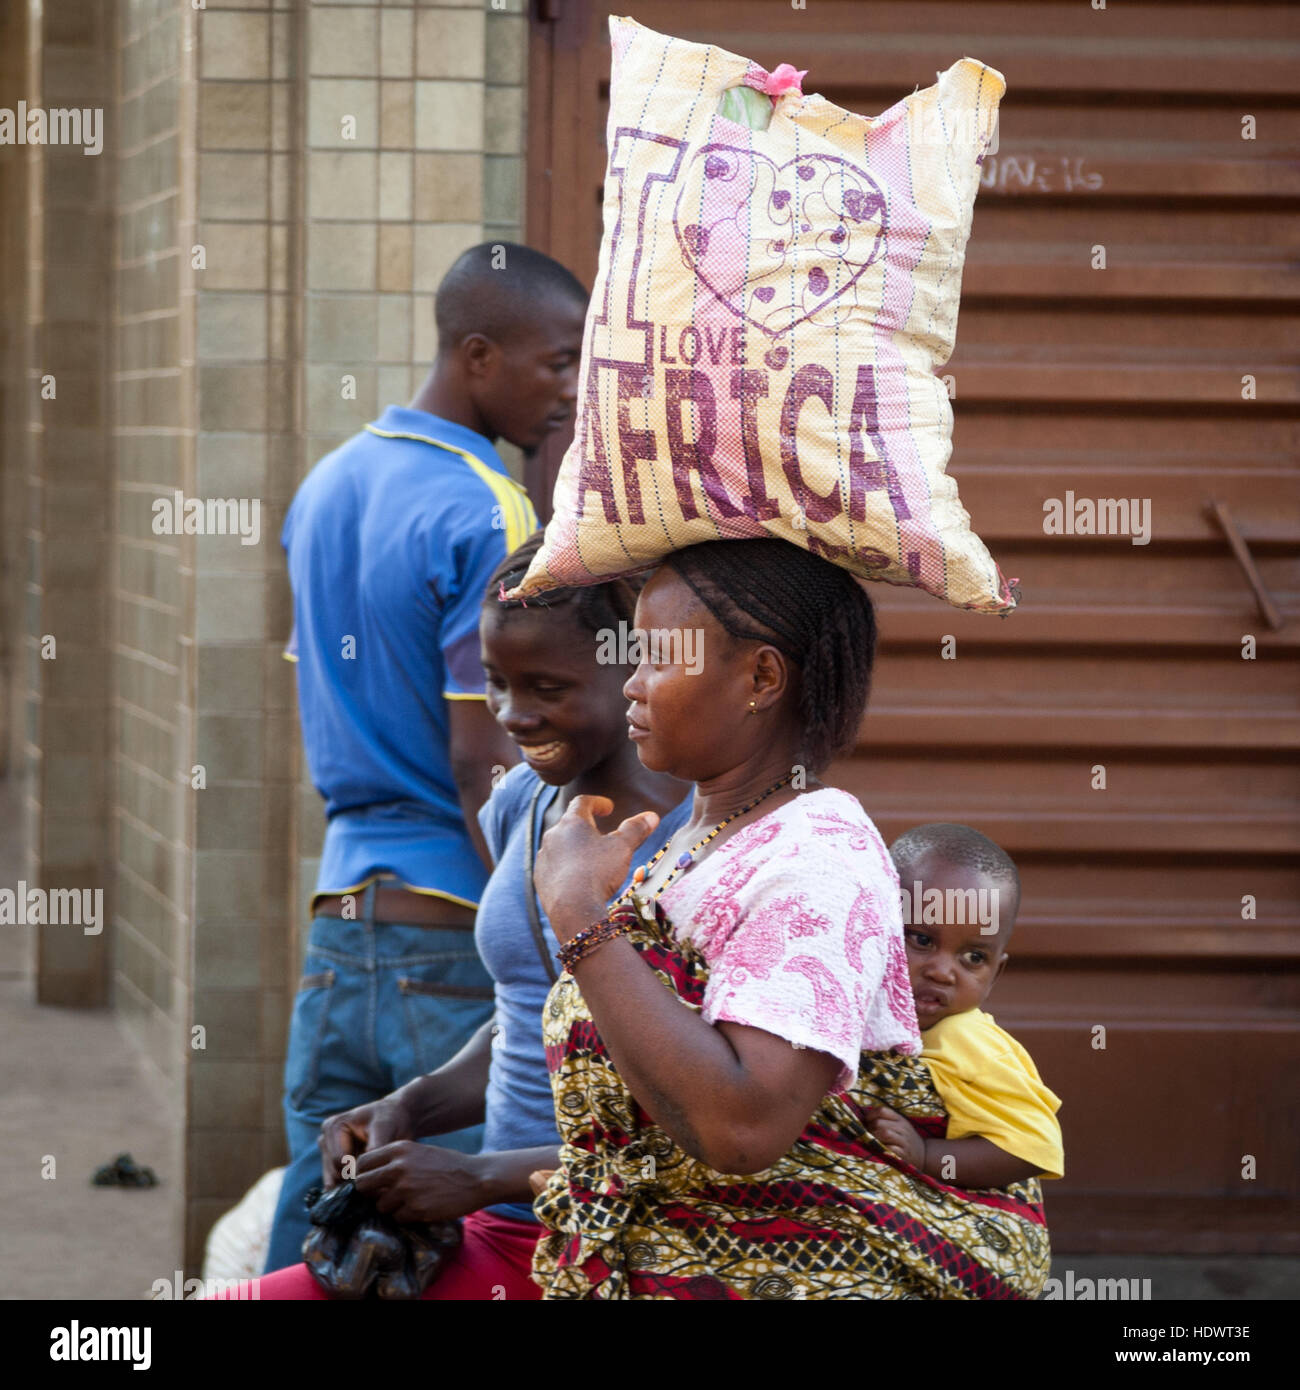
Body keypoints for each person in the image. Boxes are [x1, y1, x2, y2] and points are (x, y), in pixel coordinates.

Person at [528, 537, 1053, 1299]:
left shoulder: (818, 858)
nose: (632, 686)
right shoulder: (694, 841)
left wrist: (577, 911)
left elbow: (743, 1128)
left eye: (659, 657)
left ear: (761, 677)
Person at [237, 537, 694, 1298]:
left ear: (634, 667)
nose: (515, 715)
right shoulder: (519, 803)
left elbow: (696, 1120)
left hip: (625, 1241)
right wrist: (407, 1106)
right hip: (506, 1225)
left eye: (547, 686)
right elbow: (525, 1019)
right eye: (495, 682)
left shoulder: (690, 843)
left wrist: (481, 1174)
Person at [264, 244, 587, 1273]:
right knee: (437, 1265)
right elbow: (481, 760)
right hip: (448, 955)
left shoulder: (324, 487)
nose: (570, 394)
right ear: (479, 354)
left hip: (338, 940)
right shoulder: (490, 507)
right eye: (557, 364)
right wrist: (541, 943)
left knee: (320, 1252)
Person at [864, 823, 1064, 1188]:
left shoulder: (971, 1043)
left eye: (973, 957)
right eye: (922, 940)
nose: (942, 972)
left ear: (996, 973)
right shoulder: (851, 1003)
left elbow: (1034, 1146)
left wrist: (927, 1155)